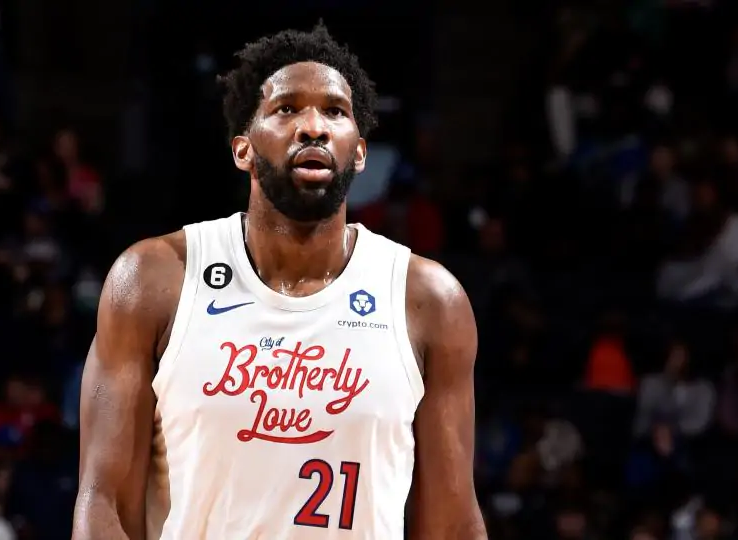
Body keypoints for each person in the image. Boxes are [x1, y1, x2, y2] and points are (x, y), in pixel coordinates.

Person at [72, 23, 486, 540]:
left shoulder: (426, 300)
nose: (313, 127)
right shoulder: (154, 280)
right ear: (243, 149)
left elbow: (452, 524)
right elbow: (103, 503)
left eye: (335, 111)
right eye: (286, 109)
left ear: (359, 151)